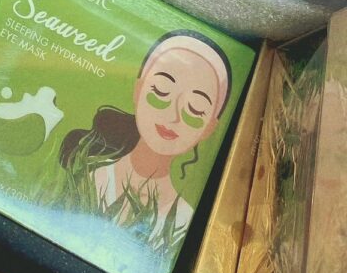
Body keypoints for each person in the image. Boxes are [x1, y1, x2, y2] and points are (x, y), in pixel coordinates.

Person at [58, 29, 232, 239]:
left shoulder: (183, 219)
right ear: (138, 90)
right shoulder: (91, 178)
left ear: (209, 128)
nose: (173, 115)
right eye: (160, 90)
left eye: (195, 108)